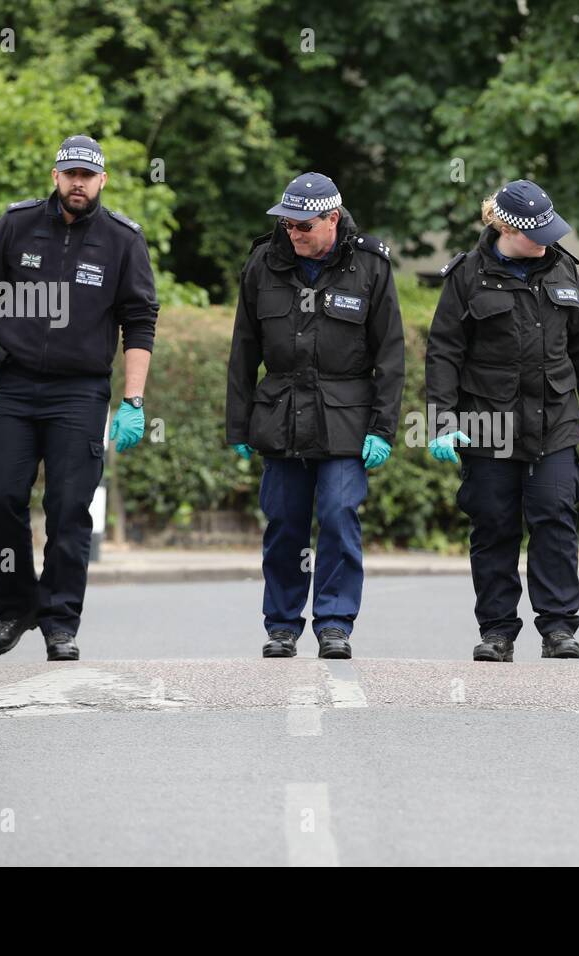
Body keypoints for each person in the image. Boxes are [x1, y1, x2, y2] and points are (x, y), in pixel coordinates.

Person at [0, 135, 158, 662]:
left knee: (69, 510)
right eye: (70, 174)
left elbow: (139, 323)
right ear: (55, 176)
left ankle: (60, 623)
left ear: (102, 181)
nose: (78, 184)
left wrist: (133, 401)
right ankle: (16, 607)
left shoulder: (122, 240)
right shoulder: (15, 224)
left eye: (87, 176)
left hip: (80, 394)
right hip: (15, 387)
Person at [425, 179, 579, 662]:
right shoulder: (467, 275)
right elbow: (444, 353)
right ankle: (496, 631)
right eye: (539, 232)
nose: (549, 240)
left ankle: (557, 628)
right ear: (506, 227)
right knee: (493, 526)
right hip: (487, 423)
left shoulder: (564, 272)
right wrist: (441, 420)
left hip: (553, 422)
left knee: (555, 520)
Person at [226, 172, 404, 660]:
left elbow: (391, 354)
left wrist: (384, 427)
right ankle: (282, 624)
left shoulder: (369, 265)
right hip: (279, 414)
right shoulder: (263, 262)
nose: (294, 233)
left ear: (331, 219)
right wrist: (238, 424)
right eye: (287, 224)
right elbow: (243, 349)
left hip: (345, 418)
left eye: (303, 225)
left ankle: (334, 623)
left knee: (338, 515)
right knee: (284, 522)